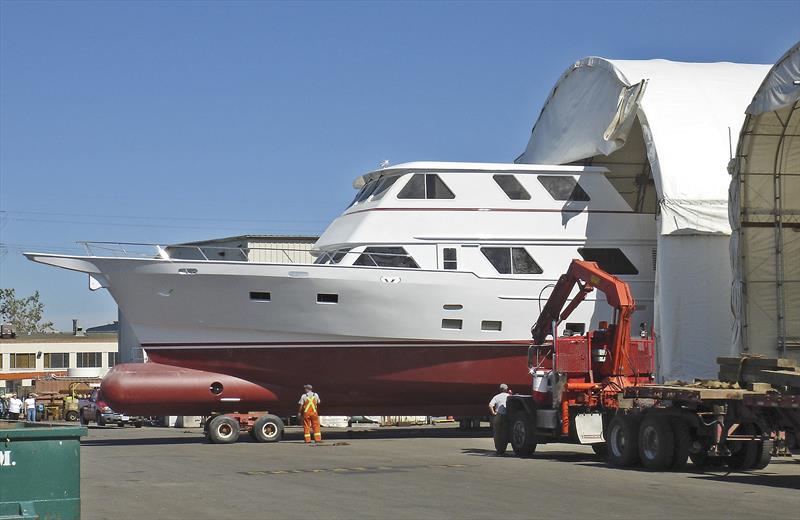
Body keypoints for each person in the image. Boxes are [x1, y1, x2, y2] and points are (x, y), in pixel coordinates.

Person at [489, 383, 512, 455]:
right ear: (507, 389)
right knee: (505, 433)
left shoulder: (496, 396)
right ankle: (503, 450)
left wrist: (493, 413)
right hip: (506, 416)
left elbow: (490, 405)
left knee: (497, 433)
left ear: (500, 389)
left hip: (498, 415)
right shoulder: (509, 396)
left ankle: (498, 449)